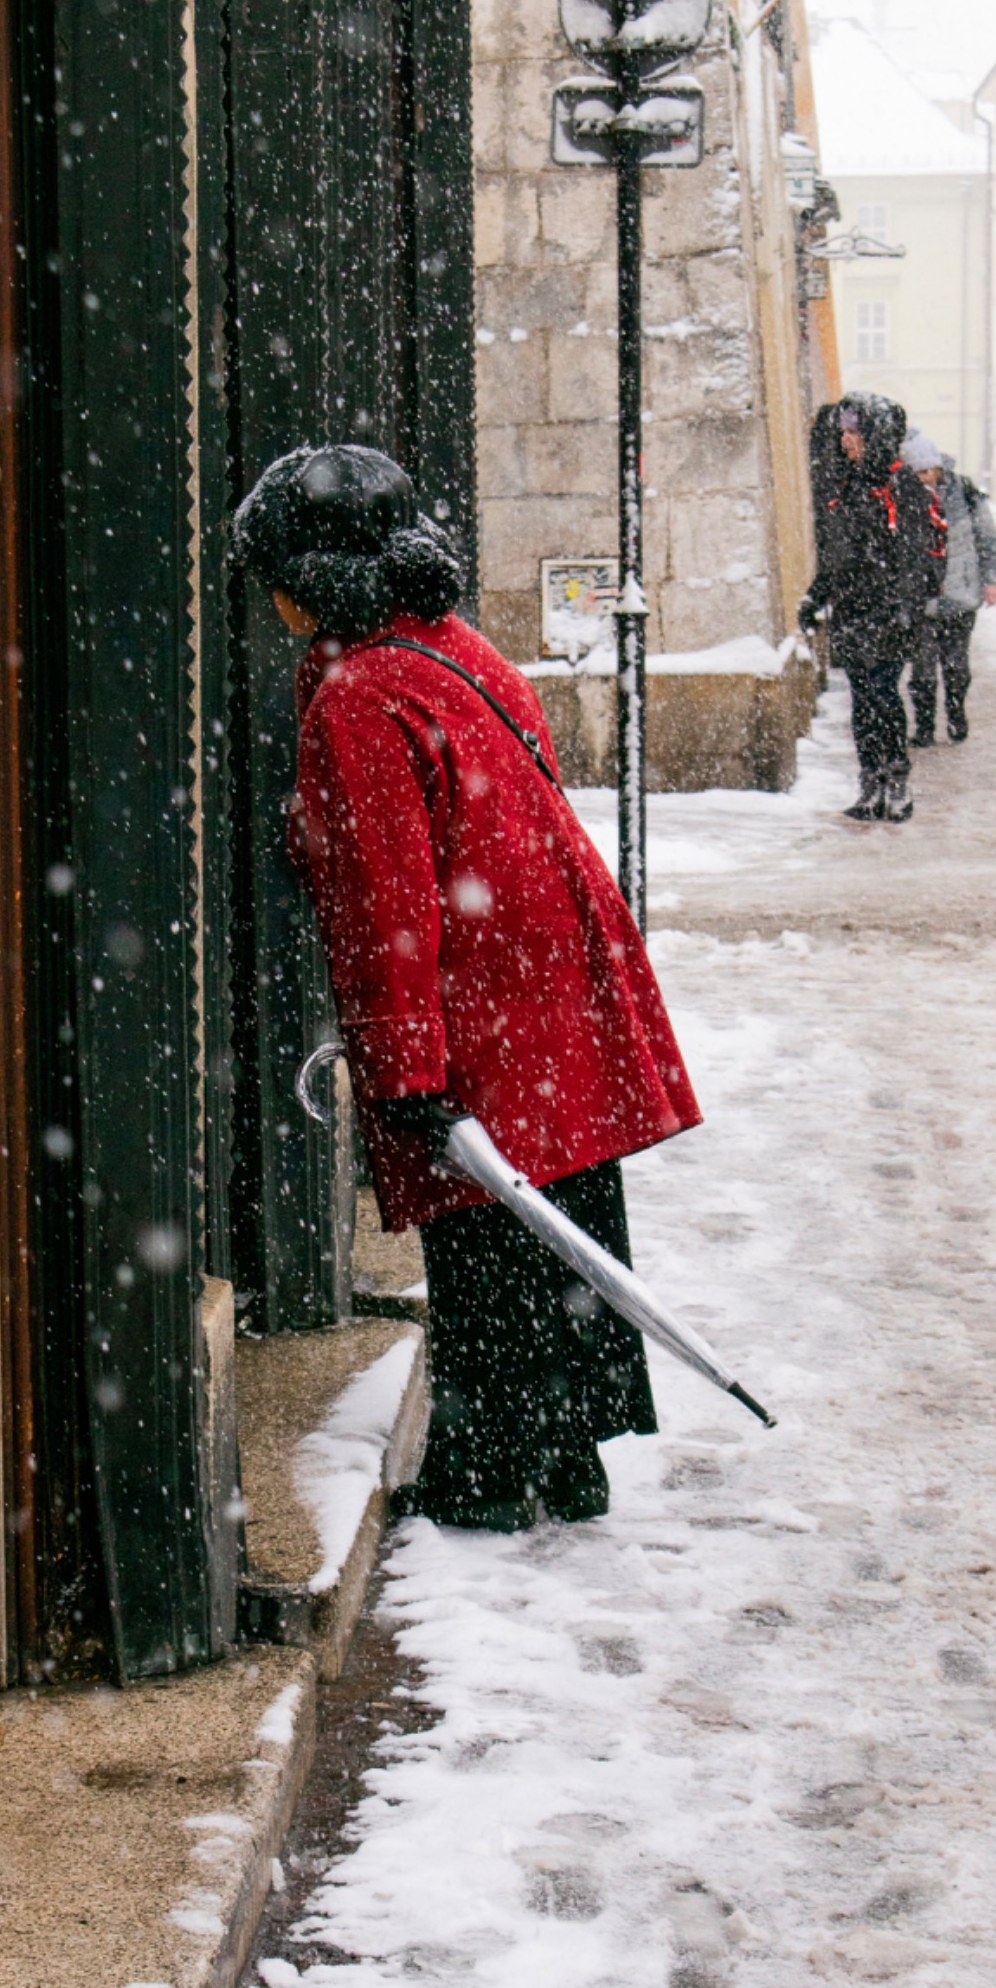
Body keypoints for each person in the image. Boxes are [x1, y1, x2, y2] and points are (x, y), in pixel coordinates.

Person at [232, 444, 701, 1530]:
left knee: (482, 1244)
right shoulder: (450, 648)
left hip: (479, 1003)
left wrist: (404, 1070)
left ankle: (485, 1474)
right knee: (560, 1225)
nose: (271, 601)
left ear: (309, 576)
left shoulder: (356, 695)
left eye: (274, 576)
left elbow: (386, 904)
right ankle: (567, 1458)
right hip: (548, 986)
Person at [801, 393, 945, 823]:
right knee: (862, 702)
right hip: (853, 611)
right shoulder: (847, 487)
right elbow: (838, 555)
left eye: (853, 433)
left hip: (887, 615)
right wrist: (816, 594)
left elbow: (917, 558)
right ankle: (871, 781)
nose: (846, 440)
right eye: (843, 432)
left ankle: (896, 779)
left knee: (883, 697)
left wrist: (906, 608)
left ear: (874, 437)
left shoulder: (902, 489)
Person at [900, 428, 996, 746]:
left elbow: (988, 540)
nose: (924, 478)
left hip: (960, 595)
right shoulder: (905, 498)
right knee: (923, 671)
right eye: (917, 473)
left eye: (927, 471)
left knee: (956, 666)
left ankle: (956, 715)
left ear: (938, 467)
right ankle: (925, 727)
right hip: (922, 602)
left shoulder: (964, 493)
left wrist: (991, 580)